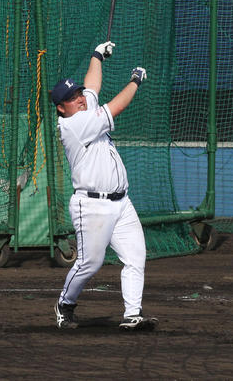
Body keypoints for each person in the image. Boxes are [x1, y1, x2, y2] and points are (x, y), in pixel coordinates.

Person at [51, 41, 157, 331]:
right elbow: (116, 106)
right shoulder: (72, 125)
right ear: (61, 108)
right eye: (72, 99)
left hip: (122, 202)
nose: (79, 99)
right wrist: (135, 80)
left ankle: (132, 315)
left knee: (136, 256)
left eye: (76, 94)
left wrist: (97, 55)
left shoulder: (83, 107)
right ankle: (65, 303)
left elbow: (92, 88)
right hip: (92, 205)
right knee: (90, 263)